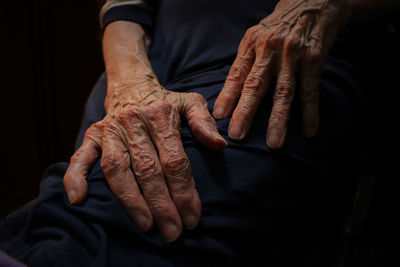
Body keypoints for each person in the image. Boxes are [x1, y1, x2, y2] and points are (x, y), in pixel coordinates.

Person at [0, 0, 398, 266]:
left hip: (279, 49)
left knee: (92, 232)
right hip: (143, 56)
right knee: (70, 200)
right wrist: (130, 83)